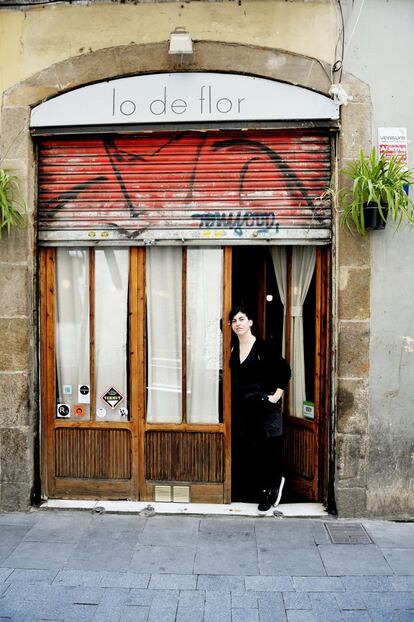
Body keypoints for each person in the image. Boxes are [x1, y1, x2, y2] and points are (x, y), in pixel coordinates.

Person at [229, 304, 291, 513]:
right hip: (244, 408)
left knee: (268, 450)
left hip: (264, 406)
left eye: (241, 319)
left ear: (251, 322)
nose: (238, 324)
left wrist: (275, 397)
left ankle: (272, 489)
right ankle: (260, 488)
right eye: (234, 320)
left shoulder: (263, 347)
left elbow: (284, 370)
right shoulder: (233, 348)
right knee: (252, 449)